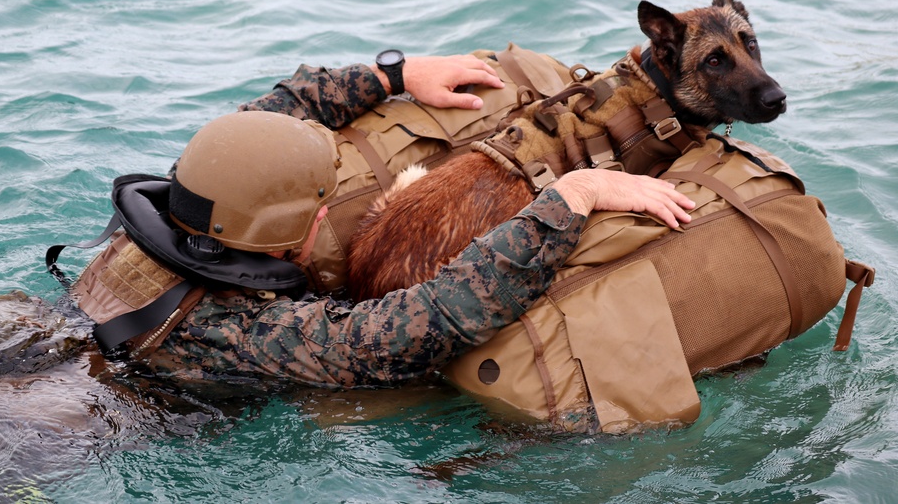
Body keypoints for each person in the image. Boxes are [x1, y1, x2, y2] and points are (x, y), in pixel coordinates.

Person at [76, 52, 695, 389]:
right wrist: (574, 194)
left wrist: (395, 74)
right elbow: (443, 315)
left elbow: (274, 113)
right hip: (70, 431)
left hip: (29, 329)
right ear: (292, 233)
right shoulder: (255, 335)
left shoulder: (190, 199)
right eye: (321, 210)